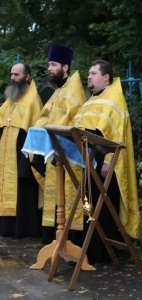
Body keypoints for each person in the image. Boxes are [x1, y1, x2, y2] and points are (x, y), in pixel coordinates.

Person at [70, 59, 140, 264]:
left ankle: (104, 253)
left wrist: (109, 161)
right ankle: (88, 250)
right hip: (87, 159)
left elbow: (116, 135)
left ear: (106, 77)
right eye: (88, 73)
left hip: (103, 163)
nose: (88, 76)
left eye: (93, 73)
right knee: (88, 206)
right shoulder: (92, 99)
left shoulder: (114, 99)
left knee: (103, 209)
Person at [31, 44, 87, 245]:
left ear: (65, 67)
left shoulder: (74, 91)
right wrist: (36, 130)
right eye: (48, 64)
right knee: (56, 199)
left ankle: (71, 244)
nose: (49, 68)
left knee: (70, 200)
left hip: (68, 156)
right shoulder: (59, 91)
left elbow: (72, 121)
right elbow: (44, 116)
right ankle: (56, 241)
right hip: (54, 152)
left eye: (53, 64)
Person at [0, 63, 43, 238]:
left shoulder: (33, 101)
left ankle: (23, 229)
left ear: (27, 77)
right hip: (5, 155)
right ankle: (5, 227)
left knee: (23, 191)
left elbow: (37, 132)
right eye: (11, 74)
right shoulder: (10, 100)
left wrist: (27, 160)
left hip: (23, 155)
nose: (12, 78)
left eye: (16, 75)